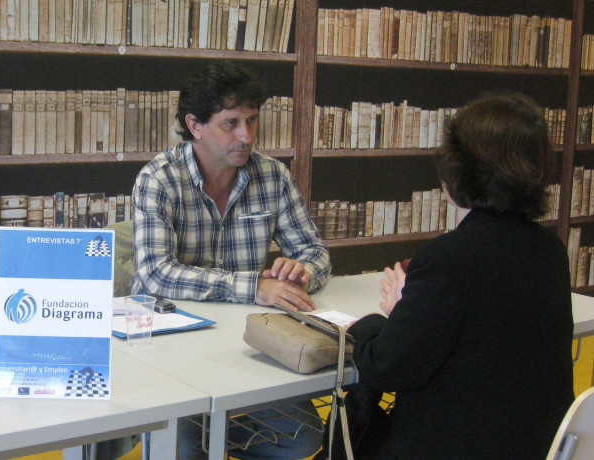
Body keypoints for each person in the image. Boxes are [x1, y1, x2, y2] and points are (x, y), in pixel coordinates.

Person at [344, 92, 574, 459]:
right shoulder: (550, 250)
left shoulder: (448, 259)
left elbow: (387, 366)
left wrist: (386, 316)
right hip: (533, 446)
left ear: (457, 170)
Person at [131, 61, 330, 459]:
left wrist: (302, 270)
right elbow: (155, 274)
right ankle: (190, 433)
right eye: (231, 123)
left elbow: (315, 252)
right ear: (195, 125)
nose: (246, 136)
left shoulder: (272, 176)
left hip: (242, 344)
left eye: (252, 120)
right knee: (182, 453)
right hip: (168, 349)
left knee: (303, 440)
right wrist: (254, 286)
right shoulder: (159, 178)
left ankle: (208, 431)